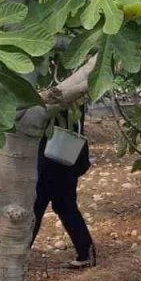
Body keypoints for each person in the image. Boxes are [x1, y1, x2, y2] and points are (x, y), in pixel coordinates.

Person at [31, 106, 96, 268]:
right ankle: (86, 251)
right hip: (68, 158)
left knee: (36, 208)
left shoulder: (56, 100)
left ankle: (16, 256)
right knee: (65, 206)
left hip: (50, 160)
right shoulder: (76, 99)